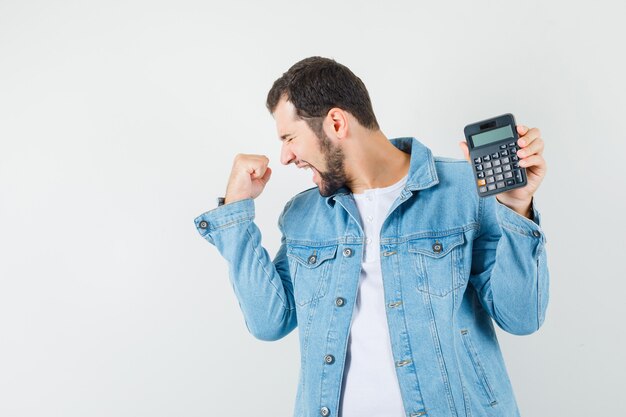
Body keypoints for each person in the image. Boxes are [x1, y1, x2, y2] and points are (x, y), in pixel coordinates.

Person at [194, 56, 549, 417]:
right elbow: (269, 321)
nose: (285, 156)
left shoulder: (463, 191)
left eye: (289, 137)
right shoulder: (304, 214)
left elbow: (520, 317)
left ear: (335, 123)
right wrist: (235, 211)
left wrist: (517, 207)